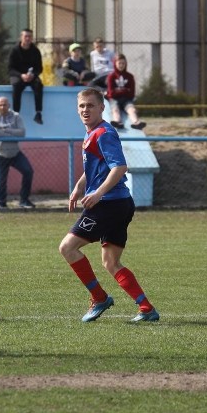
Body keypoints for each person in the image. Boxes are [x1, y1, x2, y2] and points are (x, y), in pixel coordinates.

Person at [59, 88, 159, 323]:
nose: (85, 110)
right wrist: (79, 187)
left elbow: (119, 168)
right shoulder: (92, 133)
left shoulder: (104, 133)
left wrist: (98, 193)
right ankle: (146, 308)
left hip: (108, 204)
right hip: (120, 203)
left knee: (68, 248)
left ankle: (99, 297)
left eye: (90, 105)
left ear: (102, 107)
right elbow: (96, 169)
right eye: (82, 106)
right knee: (111, 262)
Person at [0, 96, 35, 209]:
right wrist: (13, 132)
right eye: (0, 105)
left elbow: (22, 132)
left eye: (5, 104)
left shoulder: (16, 116)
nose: (2, 107)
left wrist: (5, 130)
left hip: (15, 152)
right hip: (0, 153)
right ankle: (2, 204)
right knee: (1, 179)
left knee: (28, 171)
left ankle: (24, 200)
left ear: (9, 105)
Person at [8, 28, 44, 124]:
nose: (28, 39)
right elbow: (10, 68)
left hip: (31, 76)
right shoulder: (14, 51)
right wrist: (21, 75)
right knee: (16, 86)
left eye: (30, 37)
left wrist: (33, 75)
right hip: (18, 76)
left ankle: (38, 113)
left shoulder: (35, 51)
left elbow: (39, 68)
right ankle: (16, 114)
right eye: (26, 36)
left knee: (38, 85)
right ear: (21, 37)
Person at [106, 53, 146, 130]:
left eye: (123, 63)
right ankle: (117, 121)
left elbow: (132, 94)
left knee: (131, 109)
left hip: (126, 99)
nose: (121, 65)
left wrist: (119, 91)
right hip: (114, 99)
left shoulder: (130, 76)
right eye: (119, 63)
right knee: (115, 109)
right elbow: (111, 93)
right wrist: (125, 90)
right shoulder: (111, 76)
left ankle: (136, 122)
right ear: (115, 63)